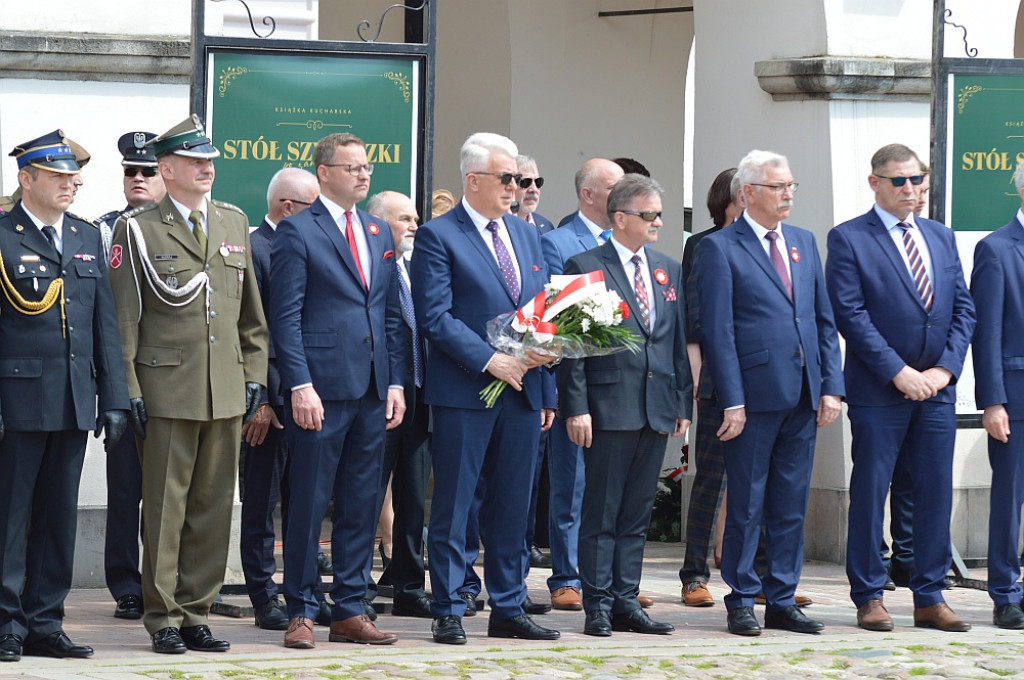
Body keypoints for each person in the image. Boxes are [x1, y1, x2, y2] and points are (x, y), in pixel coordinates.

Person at [108, 115, 268, 654]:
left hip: (223, 388)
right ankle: (164, 617)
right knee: (165, 509)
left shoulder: (232, 221)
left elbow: (250, 317)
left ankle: (198, 610)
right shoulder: (137, 228)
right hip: (166, 387)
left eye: (210, 162)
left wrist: (254, 377)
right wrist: (128, 386)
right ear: (167, 169)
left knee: (213, 505)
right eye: (196, 162)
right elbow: (125, 318)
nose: (207, 169)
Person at [411, 132, 557, 645]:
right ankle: (449, 605)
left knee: (514, 504)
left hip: (523, 391)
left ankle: (509, 604)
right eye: (508, 178)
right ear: (473, 180)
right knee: (455, 503)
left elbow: (540, 309)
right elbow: (434, 316)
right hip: (465, 391)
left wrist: (546, 369)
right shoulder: (438, 235)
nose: (516, 187)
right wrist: (490, 359)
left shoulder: (526, 233)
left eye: (519, 179)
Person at [826, 143, 975, 633]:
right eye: (899, 181)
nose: (911, 190)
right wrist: (899, 372)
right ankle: (869, 594)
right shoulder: (849, 238)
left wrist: (944, 372)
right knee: (872, 491)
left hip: (935, 390)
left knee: (933, 491)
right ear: (875, 183)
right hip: (880, 389)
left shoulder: (940, 235)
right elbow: (851, 314)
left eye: (917, 180)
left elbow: (962, 310)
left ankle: (929, 594)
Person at [697, 150, 843, 637]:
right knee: (747, 501)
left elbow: (822, 321)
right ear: (748, 193)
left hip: (802, 393)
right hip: (753, 397)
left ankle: (781, 597)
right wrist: (732, 399)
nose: (788, 195)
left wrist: (830, 388)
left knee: (790, 502)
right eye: (778, 187)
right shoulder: (720, 247)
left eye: (791, 186)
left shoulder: (802, 241)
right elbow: (719, 331)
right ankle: (741, 596)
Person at [269, 132, 406, 649]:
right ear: (324, 173)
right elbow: (285, 317)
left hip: (372, 389)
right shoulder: (298, 231)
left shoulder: (376, 231)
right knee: (307, 501)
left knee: (361, 502)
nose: (363, 174)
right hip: (320, 389)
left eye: (367, 167)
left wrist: (394, 380)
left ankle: (350, 608)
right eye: (352, 167)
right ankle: (302, 608)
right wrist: (299, 384)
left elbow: (390, 313)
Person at [0, 130, 129, 662]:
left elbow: (104, 323)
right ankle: (6, 622)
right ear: (26, 179)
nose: (70, 184)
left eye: (73, 176)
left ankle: (45, 621)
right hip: (19, 399)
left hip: (75, 398)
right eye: (57, 176)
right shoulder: (4, 236)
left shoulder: (83, 236)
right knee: (10, 516)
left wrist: (115, 397)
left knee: (59, 515)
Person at [559, 174, 692, 637]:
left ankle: (624, 599)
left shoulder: (666, 268)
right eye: (648, 214)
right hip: (608, 404)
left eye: (659, 213)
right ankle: (596, 603)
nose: (657, 222)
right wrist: (576, 407)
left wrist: (681, 403)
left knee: (637, 511)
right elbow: (573, 345)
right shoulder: (585, 265)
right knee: (602, 510)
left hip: (655, 405)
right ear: (620, 218)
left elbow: (674, 341)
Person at [241, 167, 324, 631]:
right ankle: (263, 595)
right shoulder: (255, 249)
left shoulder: (310, 244)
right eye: (313, 206)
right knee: (261, 501)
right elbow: (258, 330)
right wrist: (265, 400)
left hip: (306, 395)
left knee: (305, 502)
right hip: (270, 404)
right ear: (287, 207)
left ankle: (304, 593)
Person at [539, 158, 623, 612]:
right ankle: (567, 577)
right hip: (576, 384)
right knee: (571, 486)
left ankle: (608, 581)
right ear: (588, 193)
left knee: (611, 490)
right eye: (614, 187)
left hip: (622, 390)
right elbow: (564, 324)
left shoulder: (629, 242)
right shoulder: (557, 243)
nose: (623, 196)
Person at [94, 131, 166, 622]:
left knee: (172, 489)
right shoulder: (99, 230)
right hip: (122, 376)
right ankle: (126, 584)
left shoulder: (185, 226)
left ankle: (168, 581)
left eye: (147, 171)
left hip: (173, 381)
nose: (137, 179)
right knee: (125, 489)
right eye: (130, 172)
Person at [363, 190, 432, 619]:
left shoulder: (416, 269)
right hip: (380, 397)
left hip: (421, 396)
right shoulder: (372, 266)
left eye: (416, 218)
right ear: (379, 222)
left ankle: (408, 585)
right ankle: (358, 588)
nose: (414, 226)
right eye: (405, 218)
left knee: (413, 498)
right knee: (367, 495)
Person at [678, 168, 741, 607]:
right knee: (712, 478)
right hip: (717, 378)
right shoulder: (702, 244)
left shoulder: (773, 244)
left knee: (758, 483)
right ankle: (694, 574)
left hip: (763, 375)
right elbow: (693, 316)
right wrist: (698, 375)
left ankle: (755, 573)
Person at [973, 159, 1024, 630]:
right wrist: (992, 400)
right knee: (1009, 499)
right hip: (1015, 398)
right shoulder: (996, 249)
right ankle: (1006, 592)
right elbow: (985, 332)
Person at [514, 155, 554, 233]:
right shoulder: (497, 225)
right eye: (526, 182)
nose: (533, 189)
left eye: (538, 182)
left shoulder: (546, 226)